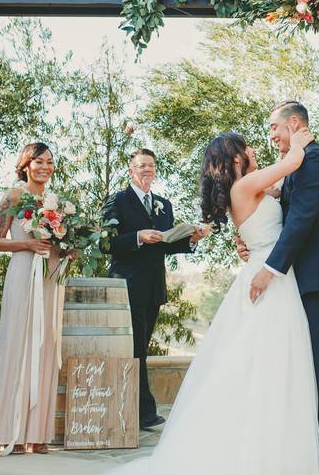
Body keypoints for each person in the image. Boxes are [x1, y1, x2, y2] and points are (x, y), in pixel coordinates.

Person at [107, 128, 319, 474]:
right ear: (238, 158)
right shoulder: (246, 186)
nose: (257, 148)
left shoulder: (248, 187)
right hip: (268, 279)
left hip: (264, 273)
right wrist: (297, 138)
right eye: (249, 147)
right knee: (267, 363)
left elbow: (277, 195)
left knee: (256, 363)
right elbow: (294, 161)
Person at [247, 101, 319, 475]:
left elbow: (302, 223)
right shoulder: (299, 163)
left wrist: (269, 269)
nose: (271, 135)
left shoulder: (315, 161)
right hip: (307, 284)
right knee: (312, 377)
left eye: (274, 128)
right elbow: (289, 212)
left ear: (294, 124)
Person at [101, 147, 209, 430]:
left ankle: (134, 408)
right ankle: (143, 411)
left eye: (151, 165)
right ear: (131, 171)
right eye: (141, 166)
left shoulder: (163, 204)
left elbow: (167, 244)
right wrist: (137, 236)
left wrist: (191, 239)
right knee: (135, 349)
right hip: (125, 285)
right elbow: (106, 243)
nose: (147, 170)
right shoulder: (117, 200)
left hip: (153, 287)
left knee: (141, 348)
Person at [0, 142, 68, 455]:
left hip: (49, 278)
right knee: (18, 347)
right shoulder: (13, 196)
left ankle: (38, 432)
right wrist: (27, 246)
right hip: (22, 275)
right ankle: (11, 431)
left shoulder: (55, 202)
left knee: (45, 349)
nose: (45, 167)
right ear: (25, 165)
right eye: (38, 161)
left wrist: (68, 247)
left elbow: (58, 239)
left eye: (49, 162)